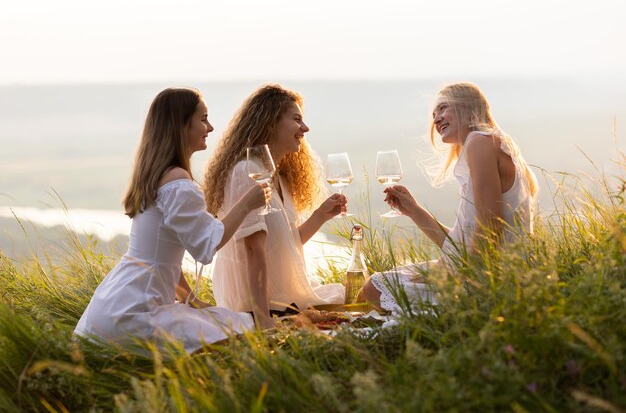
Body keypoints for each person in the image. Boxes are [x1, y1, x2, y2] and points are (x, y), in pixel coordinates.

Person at [74, 88, 271, 352]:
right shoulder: (178, 182)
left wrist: (190, 298)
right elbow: (207, 245)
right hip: (136, 314)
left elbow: (162, 254)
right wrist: (246, 203)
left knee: (223, 319)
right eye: (203, 119)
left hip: (112, 305)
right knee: (245, 327)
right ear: (180, 125)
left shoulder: (156, 176)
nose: (210, 127)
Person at [359, 82, 539, 313]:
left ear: (468, 107)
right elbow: (459, 245)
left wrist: (452, 275)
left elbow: (491, 228)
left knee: (373, 290)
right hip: (481, 265)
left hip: (490, 276)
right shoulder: (485, 144)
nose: (436, 119)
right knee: (373, 287)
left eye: (443, 109)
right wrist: (414, 210)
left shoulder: (479, 142)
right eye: (434, 115)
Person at [203, 84, 346, 329]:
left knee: (350, 294)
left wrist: (321, 216)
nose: (305, 128)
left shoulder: (276, 176)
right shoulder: (247, 171)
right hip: (257, 306)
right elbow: (253, 249)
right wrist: (262, 321)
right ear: (271, 123)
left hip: (282, 299)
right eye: (297, 119)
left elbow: (286, 243)